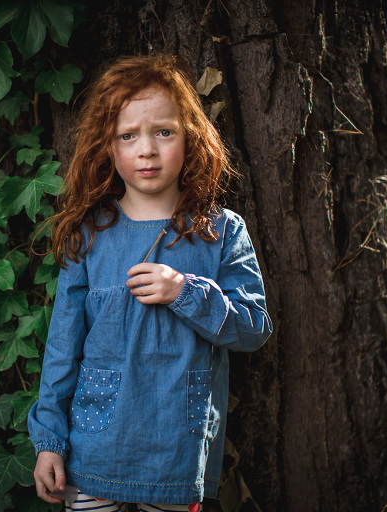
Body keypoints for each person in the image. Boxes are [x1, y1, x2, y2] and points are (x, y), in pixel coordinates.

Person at [27, 53, 272, 511]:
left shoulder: (221, 232)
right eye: (127, 135)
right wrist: (48, 441)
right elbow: (62, 347)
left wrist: (186, 291)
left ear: (190, 137)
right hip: (94, 451)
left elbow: (254, 328)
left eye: (164, 132)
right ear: (108, 146)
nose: (147, 149)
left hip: (177, 454)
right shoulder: (90, 234)